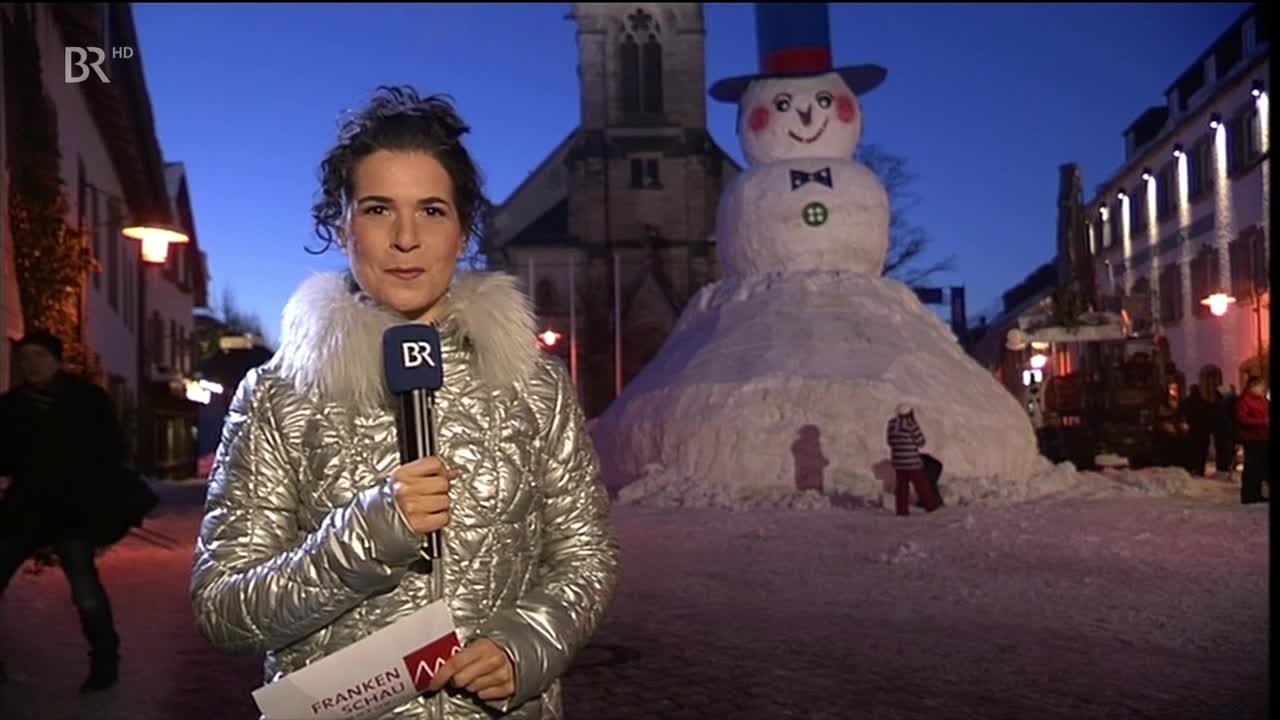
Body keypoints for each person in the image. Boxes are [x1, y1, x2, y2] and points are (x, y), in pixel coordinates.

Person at [189, 87, 620, 719]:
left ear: (463, 231)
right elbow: (224, 608)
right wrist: (363, 538)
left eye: (432, 211)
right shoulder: (278, 397)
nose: (407, 238)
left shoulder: (535, 384)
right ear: (342, 227)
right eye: (378, 209)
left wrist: (526, 645)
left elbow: (586, 559)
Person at [0, 331, 126, 691]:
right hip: (25, 508)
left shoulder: (88, 400)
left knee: (85, 590)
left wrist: (100, 504)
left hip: (72, 510)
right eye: (25, 357)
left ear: (57, 360)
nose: (31, 364)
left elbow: (111, 453)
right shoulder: (11, 405)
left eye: (39, 356)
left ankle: (105, 661)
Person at [885, 404, 942, 516]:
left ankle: (902, 511)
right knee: (921, 485)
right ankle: (931, 506)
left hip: (898, 461)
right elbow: (920, 442)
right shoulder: (911, 425)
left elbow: (889, 441)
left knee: (902, 486)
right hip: (912, 462)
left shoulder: (892, 424)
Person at [1235, 376, 1269, 505]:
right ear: (1252, 387)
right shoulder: (1245, 400)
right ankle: (1248, 495)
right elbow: (1242, 419)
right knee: (1251, 467)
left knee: (1260, 467)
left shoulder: (1263, 400)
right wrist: (1262, 422)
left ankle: (1257, 493)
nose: (1263, 388)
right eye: (1261, 386)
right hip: (1252, 439)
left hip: (1263, 438)